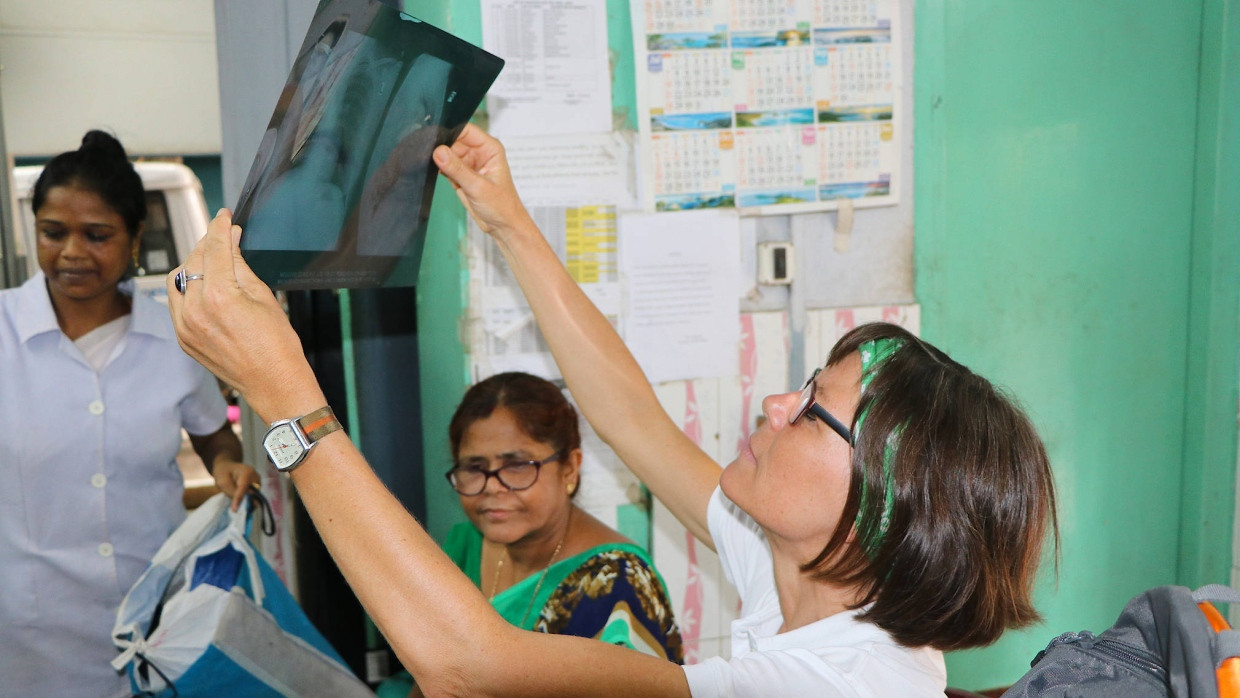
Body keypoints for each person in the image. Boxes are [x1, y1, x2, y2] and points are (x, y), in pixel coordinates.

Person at [167, 124, 1057, 696]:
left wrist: (283, 393)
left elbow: (471, 666)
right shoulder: (810, 579)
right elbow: (632, 419)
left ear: (883, 517)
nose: (777, 401)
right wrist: (510, 221)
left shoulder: (839, 685)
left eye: (814, 409)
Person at [0, 130, 260, 697]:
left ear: (135, 237)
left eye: (97, 236)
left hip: (155, 616)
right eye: (53, 233)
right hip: (30, 634)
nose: (71, 253)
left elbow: (216, 437)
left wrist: (228, 469)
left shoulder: (174, 335)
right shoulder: (4, 330)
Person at [379, 371, 683, 697]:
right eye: (473, 467)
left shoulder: (618, 583)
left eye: (518, 465)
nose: (493, 486)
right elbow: (431, 676)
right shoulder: (463, 545)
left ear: (569, 467)